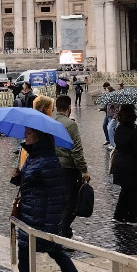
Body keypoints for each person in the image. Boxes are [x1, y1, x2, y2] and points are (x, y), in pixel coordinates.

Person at [0, 127, 90, 272]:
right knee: (54, 255)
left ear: (39, 137)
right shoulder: (34, 157)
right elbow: (31, 183)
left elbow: (56, 196)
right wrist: (18, 177)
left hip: (39, 220)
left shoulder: (49, 161)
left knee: (27, 260)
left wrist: (50, 226)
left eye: (29, 133)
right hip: (31, 216)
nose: (25, 136)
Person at [51, 95, 89, 237]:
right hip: (68, 168)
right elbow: (77, 150)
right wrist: (84, 170)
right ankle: (64, 232)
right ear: (69, 108)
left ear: (56, 108)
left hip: (53, 166)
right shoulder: (70, 124)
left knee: (58, 201)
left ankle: (59, 230)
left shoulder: (50, 122)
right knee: (70, 202)